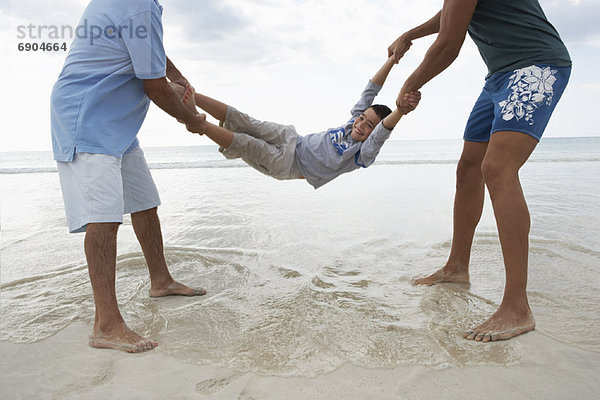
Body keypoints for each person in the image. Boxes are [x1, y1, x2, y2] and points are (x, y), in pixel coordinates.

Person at [388, 0, 571, 342]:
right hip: (499, 76)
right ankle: (457, 267)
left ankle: (517, 307)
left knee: (498, 168)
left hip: (536, 66)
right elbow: (453, 15)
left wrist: (409, 85)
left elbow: (447, 45)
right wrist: (411, 33)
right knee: (469, 167)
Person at [51, 0, 208, 353]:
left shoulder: (141, 7)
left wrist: (177, 75)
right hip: (88, 116)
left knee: (144, 202)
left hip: (116, 123)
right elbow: (154, 87)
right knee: (104, 218)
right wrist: (191, 119)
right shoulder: (137, 4)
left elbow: (147, 48)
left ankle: (161, 281)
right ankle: (106, 324)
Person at [176, 56, 420, 189]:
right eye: (362, 119)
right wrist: (392, 59)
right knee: (245, 121)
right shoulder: (352, 122)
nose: (360, 125)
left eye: (368, 126)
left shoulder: (361, 154)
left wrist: (399, 111)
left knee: (246, 143)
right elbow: (370, 92)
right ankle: (189, 93)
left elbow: (381, 133)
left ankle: (198, 124)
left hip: (289, 166)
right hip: (293, 139)